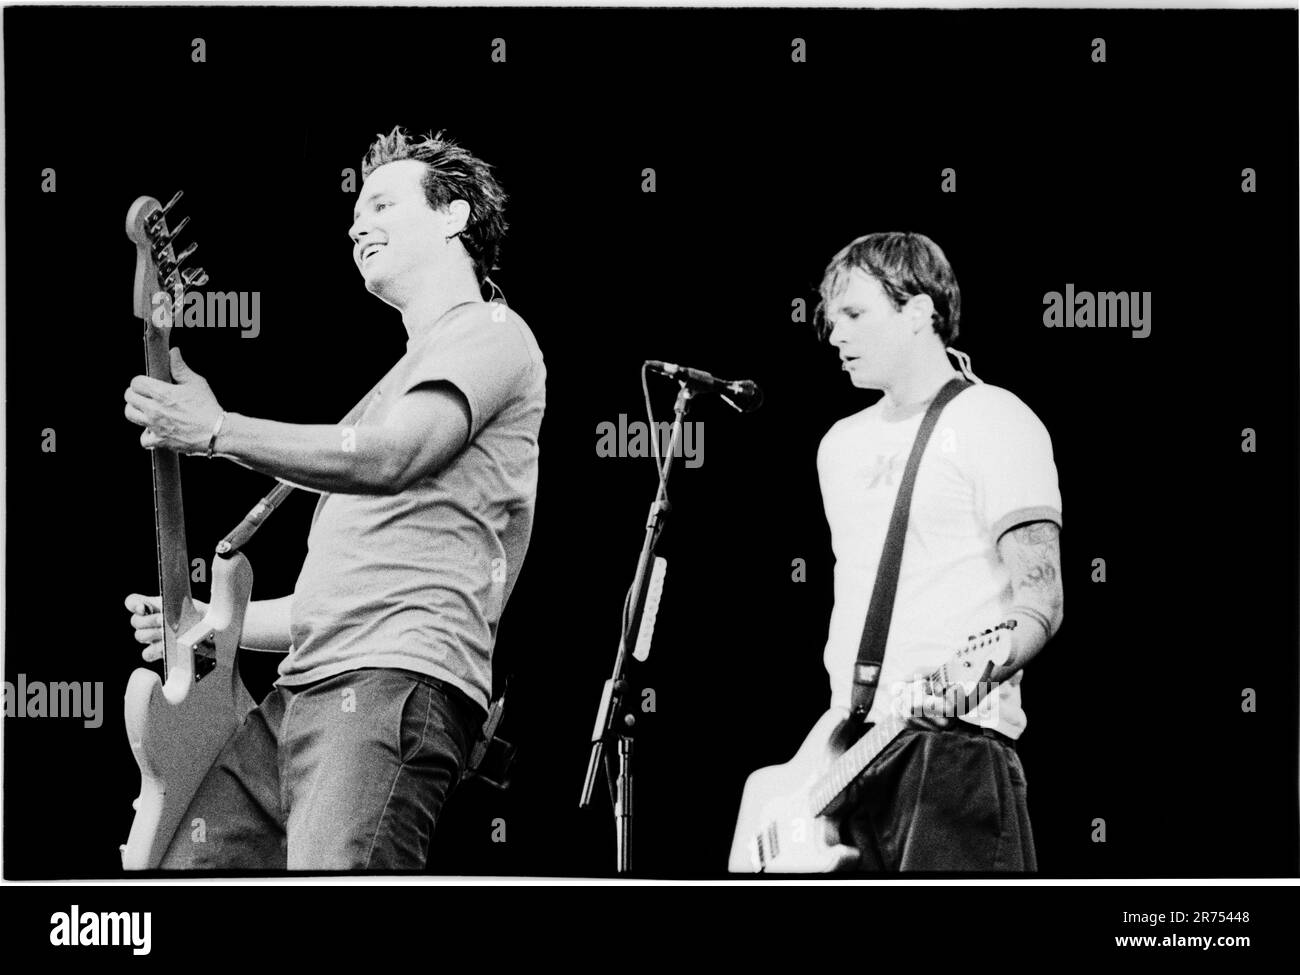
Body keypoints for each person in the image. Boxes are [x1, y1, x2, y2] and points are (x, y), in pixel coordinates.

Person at [122, 127, 546, 870]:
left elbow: (393, 457)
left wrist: (219, 428)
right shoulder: (387, 389)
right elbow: (331, 603)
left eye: (383, 203)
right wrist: (210, 625)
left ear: (454, 217)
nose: (356, 224)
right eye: (355, 211)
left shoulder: (492, 331)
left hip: (388, 687)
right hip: (296, 700)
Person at [812, 231, 1062, 871]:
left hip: (954, 752)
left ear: (920, 310)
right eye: (829, 317)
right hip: (847, 755)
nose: (833, 333)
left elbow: (1041, 599)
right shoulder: (839, 444)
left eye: (854, 314)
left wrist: (968, 679)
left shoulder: (993, 418)